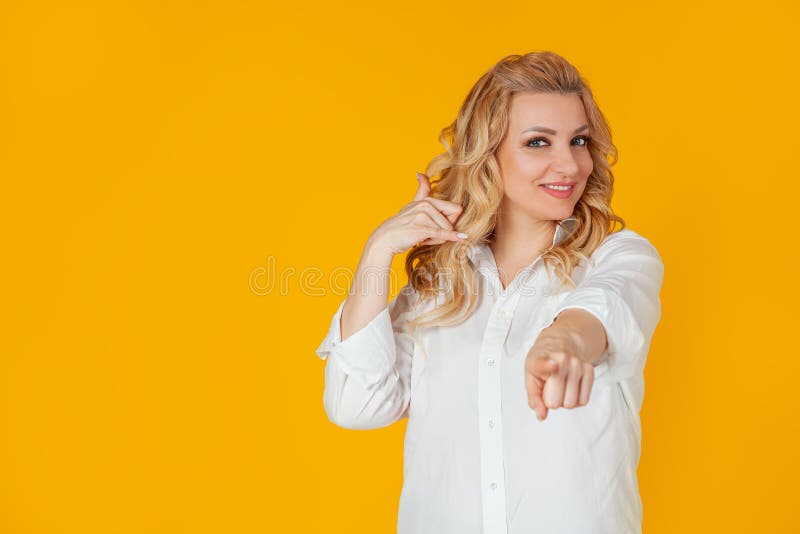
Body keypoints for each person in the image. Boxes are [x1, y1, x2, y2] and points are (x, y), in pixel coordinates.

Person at [314, 50, 664, 534]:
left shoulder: (620, 255)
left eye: (579, 140)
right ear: (488, 152)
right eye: (539, 141)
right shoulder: (440, 288)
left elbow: (605, 307)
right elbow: (356, 405)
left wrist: (565, 341)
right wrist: (378, 252)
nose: (569, 164)